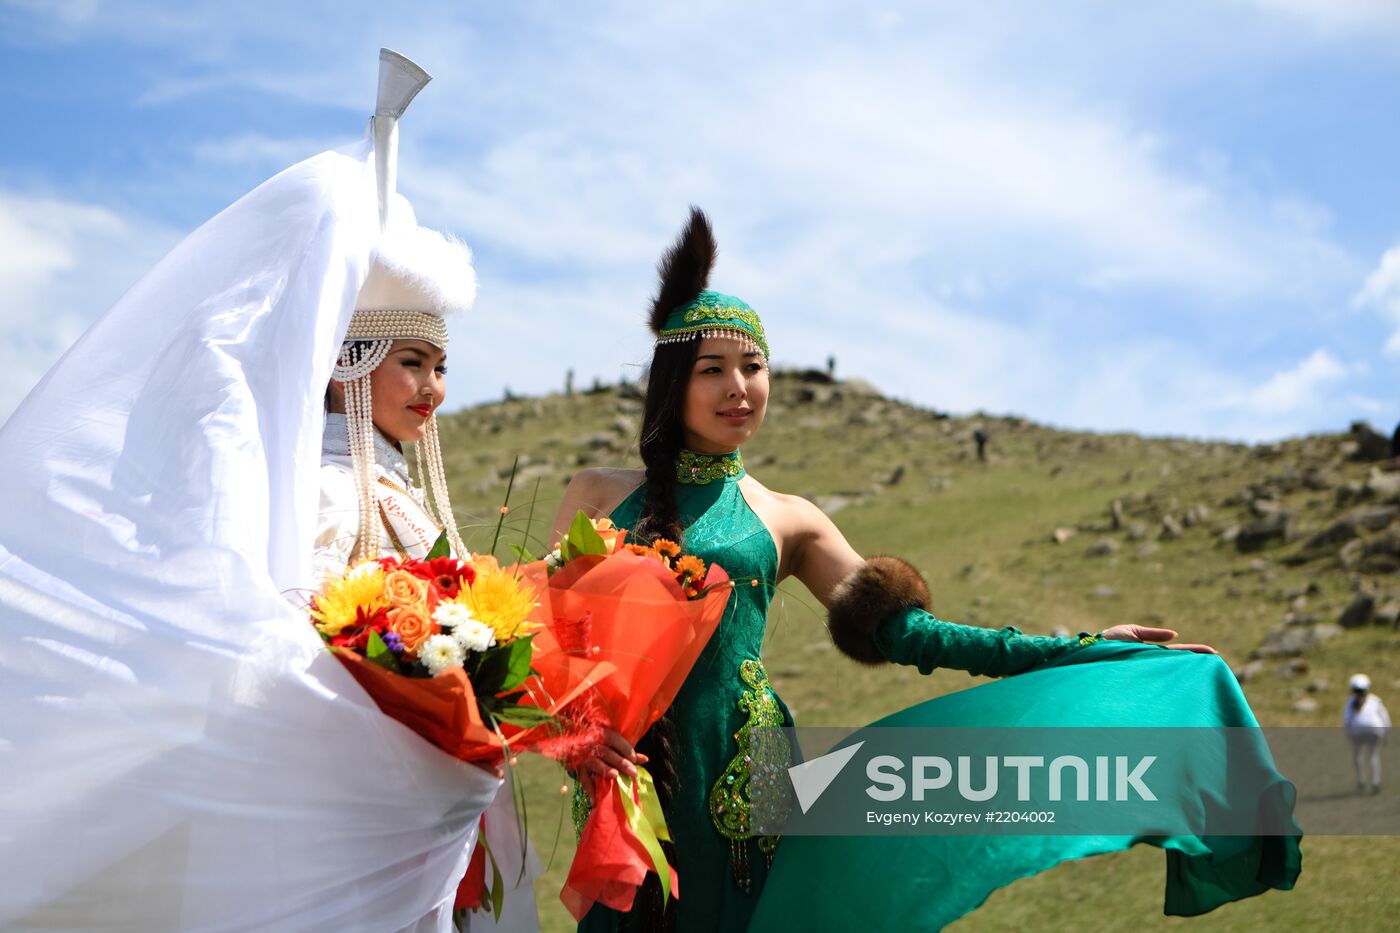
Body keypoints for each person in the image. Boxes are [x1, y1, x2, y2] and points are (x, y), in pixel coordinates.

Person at [552, 210, 1283, 933]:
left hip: (752, 782)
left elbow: (910, 633)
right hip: (631, 780)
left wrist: (1081, 647)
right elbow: (541, 650)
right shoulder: (595, 495)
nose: (739, 387)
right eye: (712, 369)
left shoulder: (788, 517)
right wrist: (576, 737)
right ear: (672, 380)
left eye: (753, 366)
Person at [1343, 673, 1390, 794]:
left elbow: (1346, 719)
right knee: (1373, 755)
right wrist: (1386, 734)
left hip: (1357, 732)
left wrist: (1347, 733)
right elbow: (1385, 718)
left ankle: (1361, 780)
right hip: (1374, 730)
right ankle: (1375, 782)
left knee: (1357, 755)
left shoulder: (1350, 702)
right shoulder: (1375, 700)